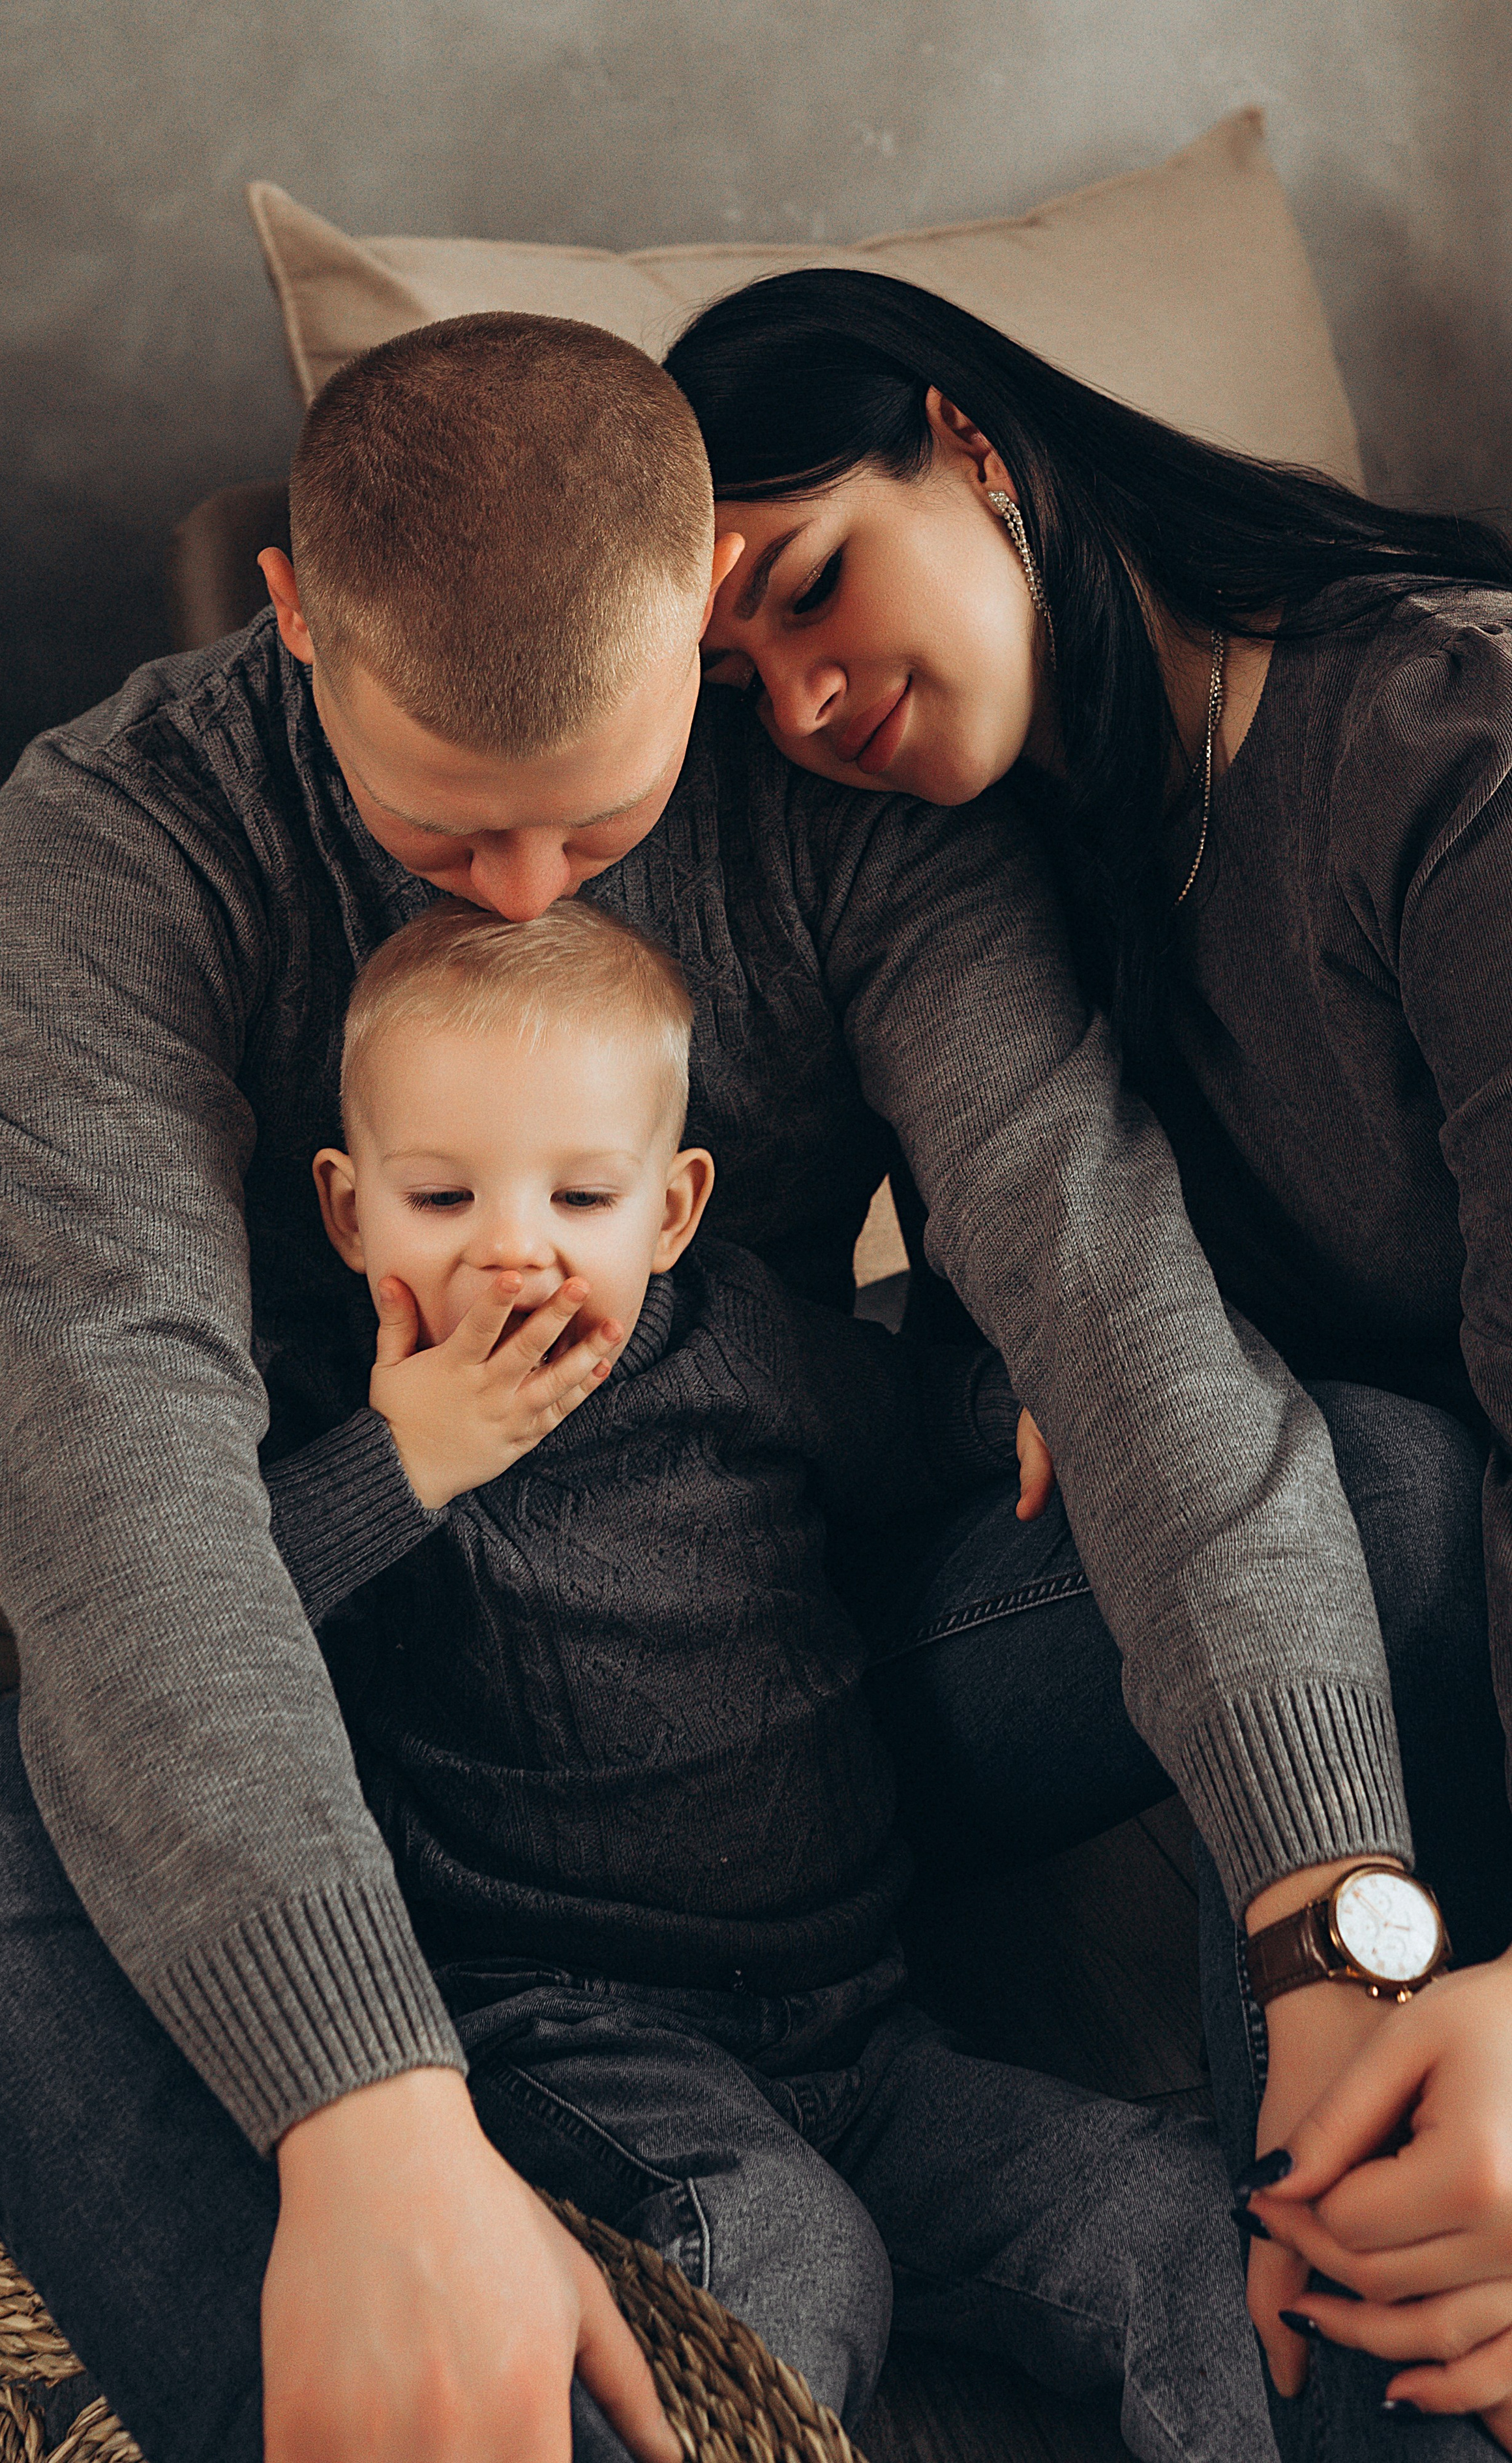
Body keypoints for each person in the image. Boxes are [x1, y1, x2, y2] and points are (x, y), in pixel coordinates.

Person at [0, 309, 1479, 2463]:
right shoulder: (127, 846)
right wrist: (368, 2117)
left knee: (1368, 1490)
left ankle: (1396, 2371)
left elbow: (1110, 1286)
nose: (532, 909)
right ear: (299, 621)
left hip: (784, 1673)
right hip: (373, 1720)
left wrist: (1332, 1939)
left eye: (600, 828)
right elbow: (117, 1485)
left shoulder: (818, 775)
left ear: (695, 610)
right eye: (450, 847)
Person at [665, 264, 1512, 2447]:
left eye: (808, 583)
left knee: (1383, 1484)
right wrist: (1059, 1354)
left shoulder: (1444, 749)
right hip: (1122, 1571)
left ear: (968, 438)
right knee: (1340, 1474)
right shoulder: (992, 839)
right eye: (729, 675)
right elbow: (958, 1347)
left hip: (1411, 1538)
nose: (800, 698)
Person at [258, 888, 1275, 2457]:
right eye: (444, 1197)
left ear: (669, 1213)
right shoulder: (344, 1414)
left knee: (1164, 2219)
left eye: (580, 1198)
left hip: (856, 2023)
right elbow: (226, 1625)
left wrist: (1017, 1399)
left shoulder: (722, 1335)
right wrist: (403, 1465)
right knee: (784, 2257)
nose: (516, 1249)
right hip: (563, 2033)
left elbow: (888, 1415)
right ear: (348, 1211)